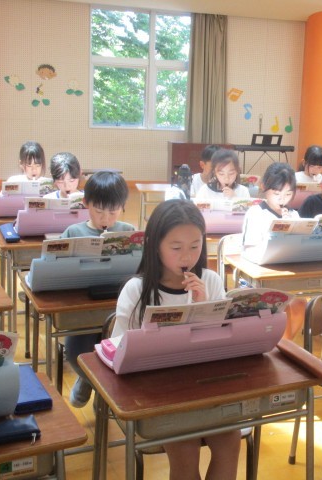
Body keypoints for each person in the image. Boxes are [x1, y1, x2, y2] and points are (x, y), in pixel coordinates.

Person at [111, 200, 240, 480]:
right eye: (176, 247)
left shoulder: (210, 281)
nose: (187, 256)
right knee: (185, 447)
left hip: (206, 386)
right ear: (154, 245)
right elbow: (117, 350)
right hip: (157, 393)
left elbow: (221, 343)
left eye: (195, 246)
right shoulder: (136, 290)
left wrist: (204, 306)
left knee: (230, 441)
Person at [61, 171, 135, 408]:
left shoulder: (130, 232)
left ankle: (98, 388)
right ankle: (87, 379)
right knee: (76, 353)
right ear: (86, 203)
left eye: (113, 212)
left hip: (118, 305)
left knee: (120, 352)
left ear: (122, 207)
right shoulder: (73, 233)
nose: (106, 218)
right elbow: (54, 266)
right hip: (82, 306)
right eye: (99, 211)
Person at [242, 163, 305, 340]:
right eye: (277, 194)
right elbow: (250, 249)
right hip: (264, 273)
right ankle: (278, 342)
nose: (282, 199)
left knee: (300, 303)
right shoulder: (256, 213)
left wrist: (292, 226)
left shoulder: (293, 214)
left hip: (287, 270)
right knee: (281, 306)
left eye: (288, 194)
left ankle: (285, 342)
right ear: (264, 188)